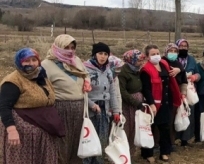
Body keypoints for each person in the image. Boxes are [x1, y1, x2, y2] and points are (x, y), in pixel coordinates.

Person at [0, 48, 64, 164]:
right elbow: (4, 107)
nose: (31, 64)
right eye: (26, 61)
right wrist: (12, 130)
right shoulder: (13, 81)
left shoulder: (41, 76)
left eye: (34, 60)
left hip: (44, 130)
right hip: (23, 134)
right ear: (19, 62)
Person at [42, 34, 90, 164]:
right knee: (62, 143)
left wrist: (87, 81)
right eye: (66, 47)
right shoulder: (47, 65)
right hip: (61, 109)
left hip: (80, 109)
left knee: (78, 142)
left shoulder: (76, 60)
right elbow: (43, 88)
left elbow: (85, 73)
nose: (70, 50)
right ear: (58, 47)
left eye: (72, 47)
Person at [140, 45, 184, 162]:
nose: (156, 56)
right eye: (153, 54)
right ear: (148, 56)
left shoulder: (164, 63)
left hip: (166, 100)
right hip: (153, 103)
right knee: (150, 128)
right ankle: (148, 154)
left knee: (165, 127)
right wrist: (151, 103)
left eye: (157, 53)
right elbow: (146, 89)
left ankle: (164, 152)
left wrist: (179, 69)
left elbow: (178, 66)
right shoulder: (145, 70)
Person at [83, 42, 122, 164]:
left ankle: (98, 161)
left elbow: (112, 91)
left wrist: (116, 111)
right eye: (100, 53)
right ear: (95, 54)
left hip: (104, 110)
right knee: (89, 139)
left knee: (102, 139)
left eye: (106, 54)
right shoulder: (85, 69)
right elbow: (81, 92)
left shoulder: (108, 70)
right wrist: (91, 105)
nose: (103, 56)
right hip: (90, 111)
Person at [118, 49, 145, 155]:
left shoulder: (136, 70)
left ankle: (131, 152)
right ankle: (123, 154)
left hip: (136, 105)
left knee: (134, 128)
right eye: (139, 60)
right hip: (128, 105)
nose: (141, 63)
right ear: (131, 60)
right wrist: (135, 102)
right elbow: (122, 91)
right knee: (127, 129)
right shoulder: (123, 72)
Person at [175, 38, 198, 146]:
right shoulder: (173, 59)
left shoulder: (192, 60)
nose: (183, 48)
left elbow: (198, 74)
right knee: (176, 112)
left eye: (185, 46)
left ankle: (185, 138)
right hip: (175, 88)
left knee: (188, 112)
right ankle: (174, 138)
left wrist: (194, 76)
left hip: (189, 90)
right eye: (181, 46)